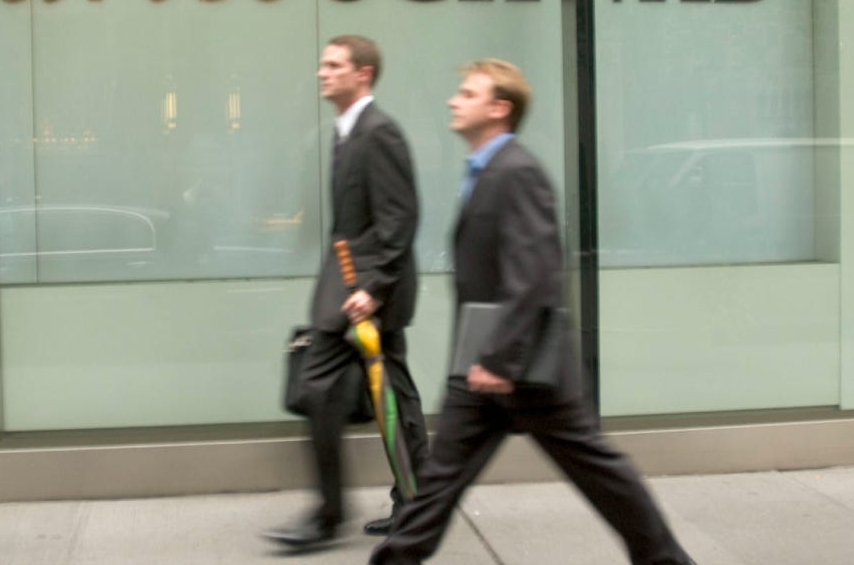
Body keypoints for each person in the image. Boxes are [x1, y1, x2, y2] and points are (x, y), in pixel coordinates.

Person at [370, 59, 695, 565]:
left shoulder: (516, 171)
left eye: (468, 93)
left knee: (600, 471)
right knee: (437, 484)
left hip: (521, 365)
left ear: (499, 108)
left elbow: (536, 276)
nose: (454, 101)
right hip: (484, 361)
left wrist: (498, 360)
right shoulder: (485, 170)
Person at [264, 35, 430, 548]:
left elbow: (399, 219)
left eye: (333, 65)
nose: (322, 72)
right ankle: (415, 504)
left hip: (364, 295)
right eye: (322, 64)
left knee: (320, 389)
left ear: (363, 74)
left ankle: (330, 515)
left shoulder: (379, 133)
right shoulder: (346, 132)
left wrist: (373, 290)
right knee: (393, 397)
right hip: (352, 287)